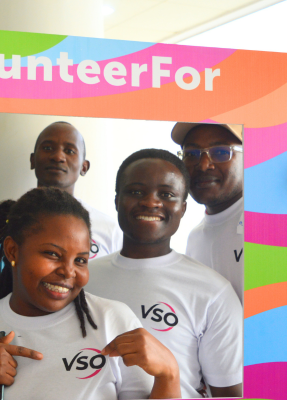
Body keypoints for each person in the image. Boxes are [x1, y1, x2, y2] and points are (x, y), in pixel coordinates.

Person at [0, 188, 181, 400]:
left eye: (80, 260)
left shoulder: (112, 321)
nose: (68, 271)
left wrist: (169, 374)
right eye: (52, 254)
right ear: (12, 251)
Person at [87, 149, 243, 398]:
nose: (150, 202)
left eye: (167, 194)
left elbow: (230, 394)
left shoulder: (213, 291)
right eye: (136, 191)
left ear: (182, 208)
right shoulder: (81, 278)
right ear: (117, 200)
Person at [172, 123, 244, 303]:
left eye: (220, 152)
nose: (203, 165)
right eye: (191, 154)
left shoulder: (272, 224)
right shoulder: (195, 240)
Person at [31, 122, 122, 259]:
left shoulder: (109, 230)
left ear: (84, 167)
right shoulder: (6, 221)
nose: (58, 157)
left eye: (69, 151)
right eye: (48, 148)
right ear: (33, 160)